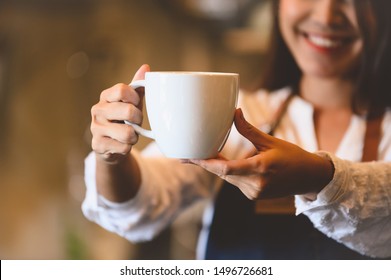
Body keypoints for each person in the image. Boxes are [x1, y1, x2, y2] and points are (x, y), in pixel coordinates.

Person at [82, 0, 391, 259]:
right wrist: (112, 159)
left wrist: (320, 178)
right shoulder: (239, 113)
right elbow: (144, 200)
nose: (326, 16)